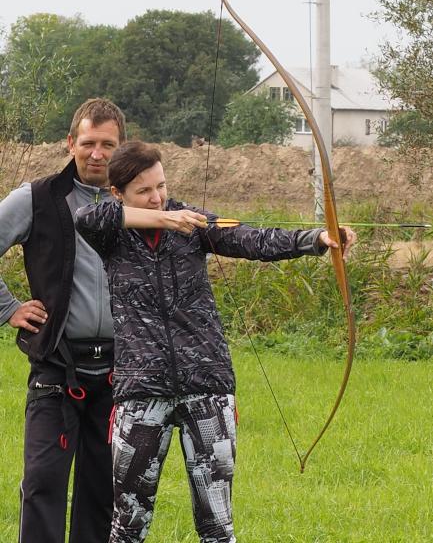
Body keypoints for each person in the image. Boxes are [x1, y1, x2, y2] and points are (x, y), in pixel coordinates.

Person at [75, 141, 356, 543]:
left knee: (217, 528)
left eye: (161, 186)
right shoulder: (111, 235)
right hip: (140, 390)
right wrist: (162, 220)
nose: (157, 197)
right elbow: (87, 216)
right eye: (144, 191)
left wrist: (316, 239)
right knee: (128, 527)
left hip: (207, 385)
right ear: (118, 194)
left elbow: (252, 239)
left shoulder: (193, 223)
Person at [0, 100, 203, 543]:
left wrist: (317, 239)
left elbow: (229, 233)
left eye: (107, 145)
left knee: (103, 491)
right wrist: (8, 308)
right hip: (57, 368)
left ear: (121, 147)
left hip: (121, 372)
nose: (97, 154)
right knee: (43, 482)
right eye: (88, 142)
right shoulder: (36, 198)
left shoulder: (144, 201)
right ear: (70, 143)